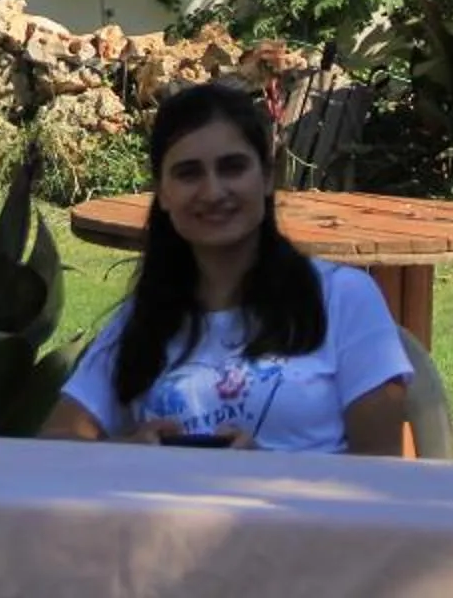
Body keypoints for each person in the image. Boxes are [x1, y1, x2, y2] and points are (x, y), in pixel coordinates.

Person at [43, 79, 410, 453]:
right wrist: (128, 452)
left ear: (267, 177)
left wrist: (265, 469)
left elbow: (381, 471)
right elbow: (55, 445)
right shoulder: (142, 318)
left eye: (232, 168)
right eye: (189, 173)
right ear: (163, 193)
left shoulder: (343, 297)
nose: (214, 192)